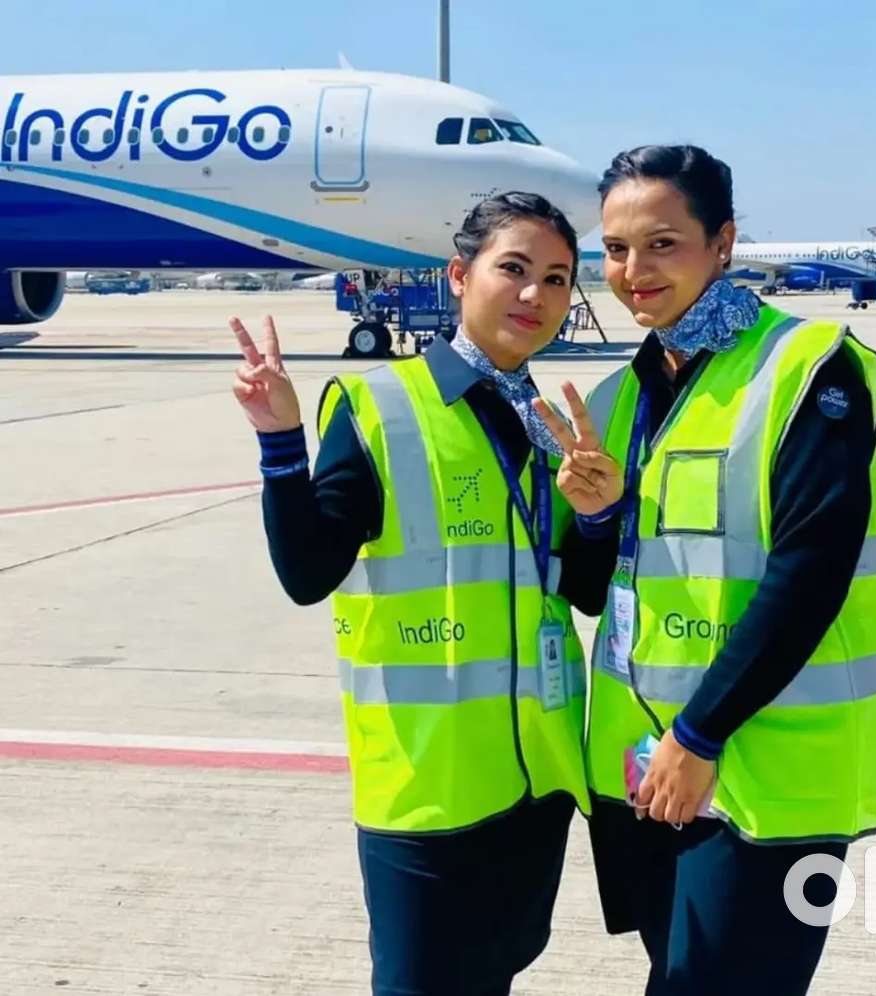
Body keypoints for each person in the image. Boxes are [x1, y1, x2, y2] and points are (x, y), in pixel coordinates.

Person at [533, 145, 876, 995]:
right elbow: (592, 589)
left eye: (663, 244)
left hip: (764, 778)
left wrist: (698, 736)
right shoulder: (622, 397)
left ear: (722, 243)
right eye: (616, 250)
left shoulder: (807, 369)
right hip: (647, 775)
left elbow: (811, 573)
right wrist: (596, 517)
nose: (634, 272)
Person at [229, 192, 600, 996]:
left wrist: (600, 514)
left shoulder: (548, 425)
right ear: (460, 276)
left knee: (497, 971)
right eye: (514, 268)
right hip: (424, 789)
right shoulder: (383, 407)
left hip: (537, 780)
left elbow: (584, 588)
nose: (535, 294)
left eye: (556, 278)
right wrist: (280, 443)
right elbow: (307, 573)